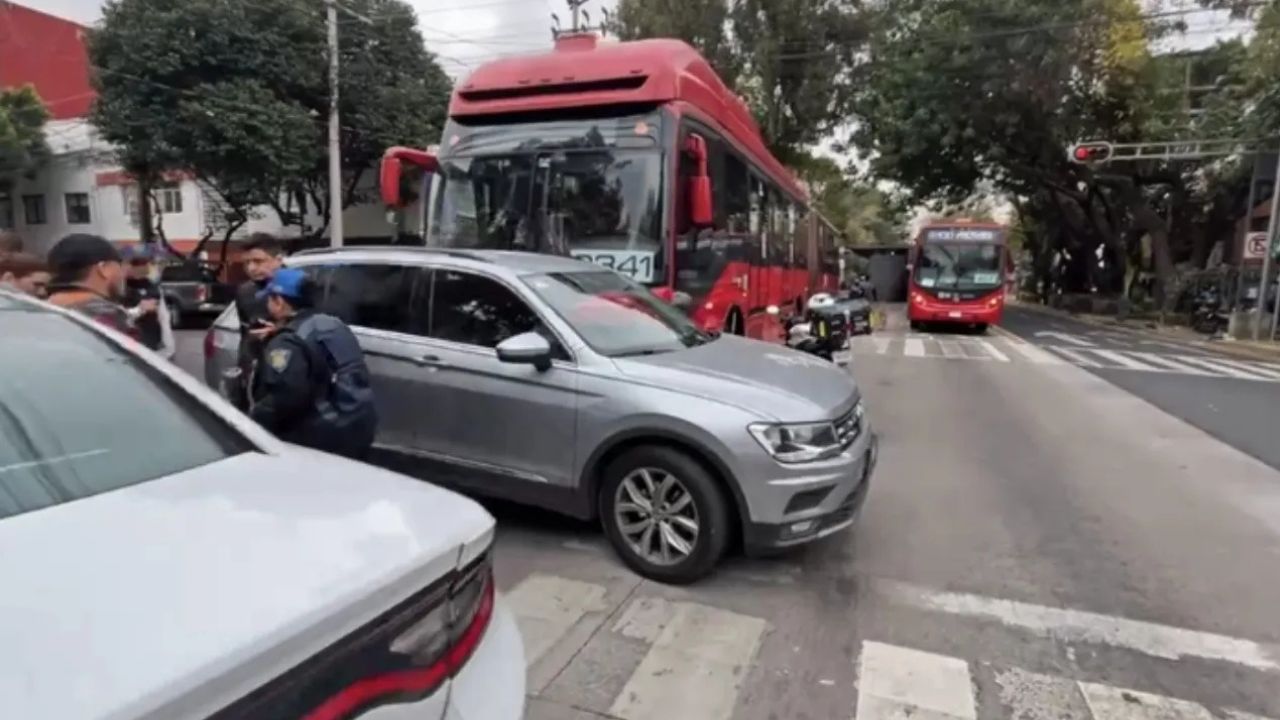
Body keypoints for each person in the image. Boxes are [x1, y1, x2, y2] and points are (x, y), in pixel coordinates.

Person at [250, 268, 378, 459]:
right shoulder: (332, 324)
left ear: (279, 301)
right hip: (358, 425)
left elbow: (285, 396)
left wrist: (252, 421)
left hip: (318, 438)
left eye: (270, 298)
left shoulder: (287, 342)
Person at [230, 233, 286, 408]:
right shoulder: (245, 291)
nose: (252, 268)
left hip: (287, 370)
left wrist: (279, 329)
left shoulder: (297, 286)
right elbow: (245, 333)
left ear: (278, 259)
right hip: (255, 369)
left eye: (258, 261)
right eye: (247, 263)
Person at [45, 234, 137, 338]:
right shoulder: (108, 315)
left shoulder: (38, 311)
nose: (122, 274)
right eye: (119, 265)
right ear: (104, 269)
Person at [121, 245, 176, 359]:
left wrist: (169, 348)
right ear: (126, 265)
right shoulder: (120, 289)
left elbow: (164, 318)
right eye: (136, 263)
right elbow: (118, 318)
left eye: (145, 263)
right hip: (131, 350)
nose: (142, 267)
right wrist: (140, 310)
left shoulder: (153, 287)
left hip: (155, 349)